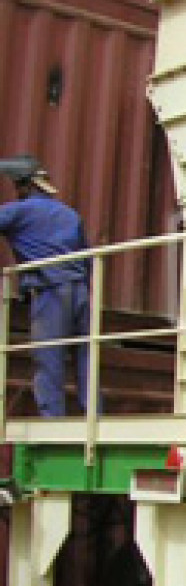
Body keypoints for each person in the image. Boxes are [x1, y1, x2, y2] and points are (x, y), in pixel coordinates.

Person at [0, 158, 98, 417]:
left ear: (23, 185)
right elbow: (86, 258)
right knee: (87, 356)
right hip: (80, 293)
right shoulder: (70, 214)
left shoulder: (19, 211)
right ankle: (94, 415)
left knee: (49, 358)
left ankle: (53, 420)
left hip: (50, 291)